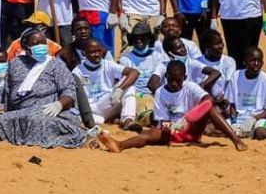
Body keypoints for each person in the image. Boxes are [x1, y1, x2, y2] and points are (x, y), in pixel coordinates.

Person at [97, 60, 246, 152]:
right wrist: (170, 126)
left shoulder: (191, 87)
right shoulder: (160, 92)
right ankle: (120, 145)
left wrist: (188, 119)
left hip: (193, 129)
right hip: (172, 133)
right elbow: (161, 121)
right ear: (166, 77)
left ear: (184, 78)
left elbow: (208, 101)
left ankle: (236, 140)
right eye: (171, 79)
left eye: (178, 80)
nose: (174, 83)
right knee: (149, 134)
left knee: (210, 108)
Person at [0, 38, 85, 148]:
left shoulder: (55, 64)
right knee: (1, 121)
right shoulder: (16, 64)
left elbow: (69, 89)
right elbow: (9, 91)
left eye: (43, 43)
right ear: (26, 46)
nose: (40, 46)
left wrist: (59, 104)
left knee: (36, 119)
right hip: (23, 110)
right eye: (36, 43)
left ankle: (76, 137)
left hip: (50, 110)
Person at [73, 39, 139, 129]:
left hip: (108, 102)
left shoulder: (107, 64)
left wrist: (119, 89)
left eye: (99, 51)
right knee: (84, 117)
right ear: (84, 53)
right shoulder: (77, 71)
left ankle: (128, 121)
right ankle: (110, 120)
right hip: (89, 109)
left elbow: (134, 72)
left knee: (129, 86)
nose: (97, 54)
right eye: (92, 52)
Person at [227, 47, 266, 140]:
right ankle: (240, 133)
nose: (256, 64)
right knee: (211, 128)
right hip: (239, 118)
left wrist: (254, 119)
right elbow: (232, 104)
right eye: (253, 61)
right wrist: (233, 123)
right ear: (244, 62)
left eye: (259, 61)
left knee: (260, 132)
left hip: (260, 119)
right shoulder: (236, 76)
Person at [117, 22, 166, 129]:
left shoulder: (158, 57)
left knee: (151, 105)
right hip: (133, 95)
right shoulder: (125, 59)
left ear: (148, 39)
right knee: (137, 104)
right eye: (136, 38)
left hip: (152, 94)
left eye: (142, 37)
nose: (139, 40)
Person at [194, 28, 236, 116]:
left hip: (224, 100)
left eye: (221, 42)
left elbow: (229, 84)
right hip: (204, 100)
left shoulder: (229, 61)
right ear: (206, 46)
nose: (221, 46)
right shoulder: (197, 62)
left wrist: (223, 99)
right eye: (216, 44)